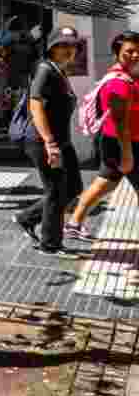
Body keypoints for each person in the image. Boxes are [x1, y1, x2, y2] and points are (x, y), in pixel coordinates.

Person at [12, 28, 84, 255]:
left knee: (73, 188)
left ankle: (26, 217)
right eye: (62, 45)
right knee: (56, 191)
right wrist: (50, 143)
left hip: (62, 141)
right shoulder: (45, 69)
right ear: (52, 47)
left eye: (72, 46)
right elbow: (36, 106)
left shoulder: (59, 72)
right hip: (44, 141)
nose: (68, 50)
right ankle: (50, 244)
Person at [66, 31, 139, 241]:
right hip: (124, 143)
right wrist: (127, 155)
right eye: (129, 51)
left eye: (137, 50)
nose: (135, 55)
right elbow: (120, 123)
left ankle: (73, 223)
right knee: (105, 183)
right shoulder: (118, 83)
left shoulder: (127, 75)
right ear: (117, 53)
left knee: (105, 183)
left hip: (118, 142)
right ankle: (68, 221)